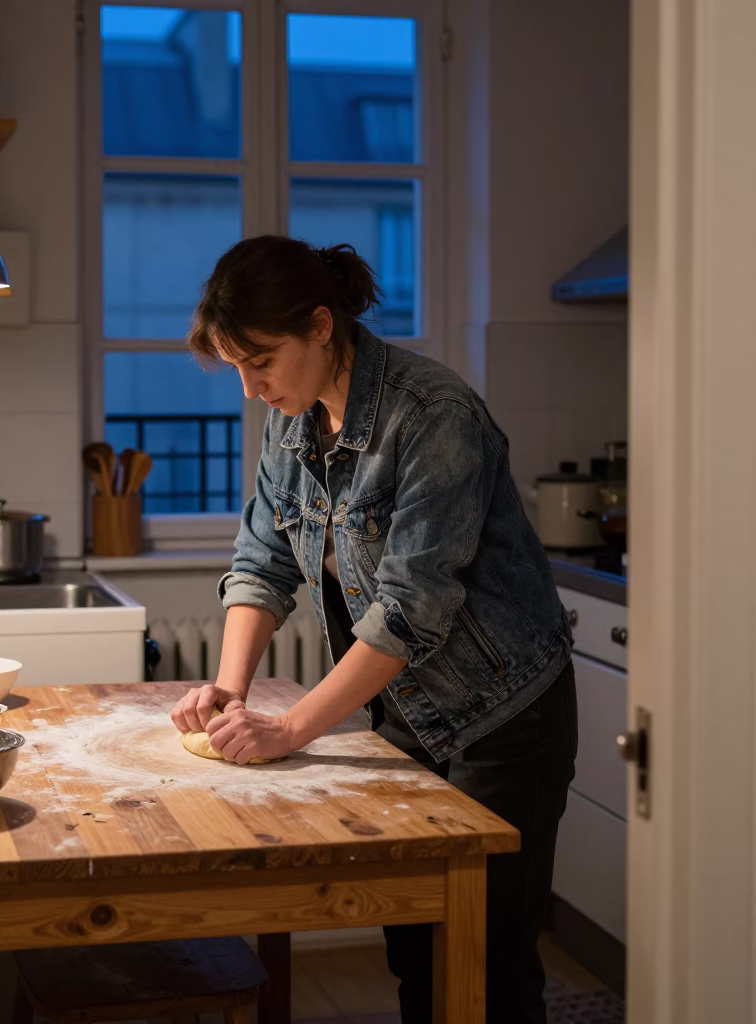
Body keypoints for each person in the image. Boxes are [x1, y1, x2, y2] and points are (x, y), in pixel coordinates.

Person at [170, 235, 577, 1023]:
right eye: (238, 370)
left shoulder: (435, 416)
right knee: (420, 957)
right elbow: (262, 561)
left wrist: (290, 726)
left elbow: (410, 609)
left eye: (261, 362)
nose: (252, 389)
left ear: (322, 326)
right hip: (408, 716)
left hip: (504, 719)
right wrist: (228, 687)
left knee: (486, 966)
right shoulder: (289, 424)